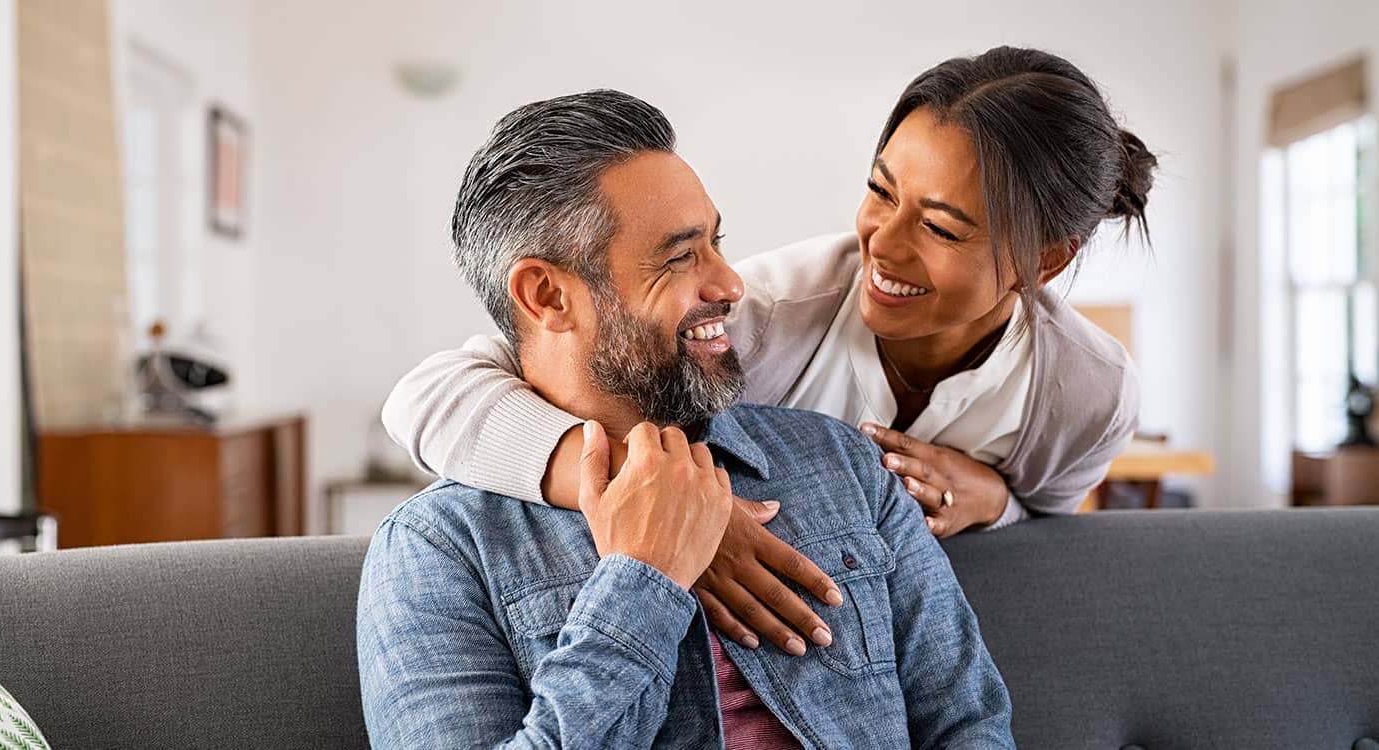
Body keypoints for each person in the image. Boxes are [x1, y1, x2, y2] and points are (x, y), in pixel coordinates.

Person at [382, 46, 1152, 655]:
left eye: (942, 227)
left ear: (1043, 261)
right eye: (880, 191)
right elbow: (428, 396)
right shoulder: (766, 315)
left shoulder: (1088, 393)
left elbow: (1051, 526)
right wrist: (664, 504)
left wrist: (997, 501)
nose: (881, 243)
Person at [357, 89, 1013, 749]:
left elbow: (969, 725)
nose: (730, 284)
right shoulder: (438, 549)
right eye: (680, 256)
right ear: (547, 295)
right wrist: (644, 580)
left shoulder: (844, 465)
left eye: (717, 243)